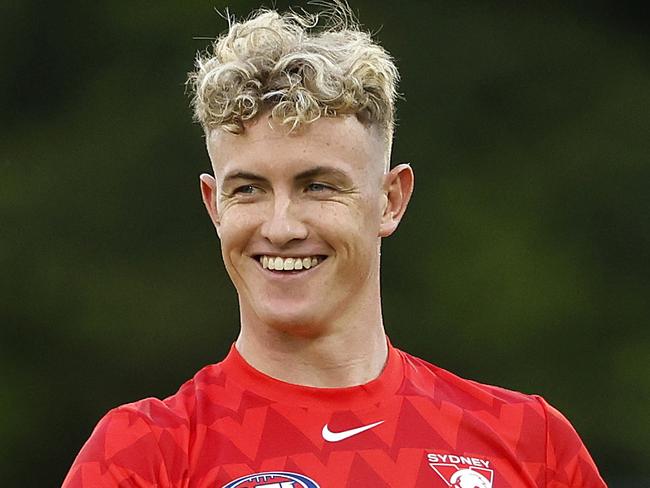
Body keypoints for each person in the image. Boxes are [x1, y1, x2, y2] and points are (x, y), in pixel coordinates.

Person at [62, 2, 607, 487]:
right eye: (248, 189)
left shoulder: (530, 445)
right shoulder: (142, 456)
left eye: (317, 186)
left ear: (391, 200)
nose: (280, 226)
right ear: (213, 206)